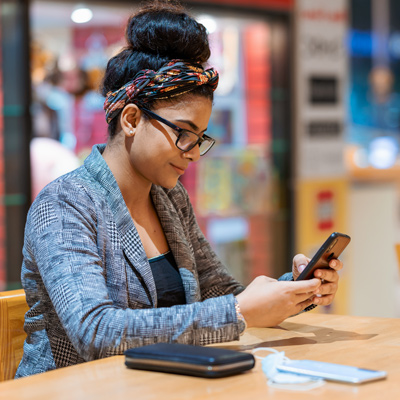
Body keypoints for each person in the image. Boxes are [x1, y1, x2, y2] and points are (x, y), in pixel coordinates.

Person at [15, 0, 342, 378]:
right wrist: (240, 312)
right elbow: (96, 331)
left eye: (200, 138)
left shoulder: (168, 197)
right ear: (132, 118)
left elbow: (220, 293)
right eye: (183, 134)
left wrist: (294, 291)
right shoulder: (65, 204)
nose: (193, 153)